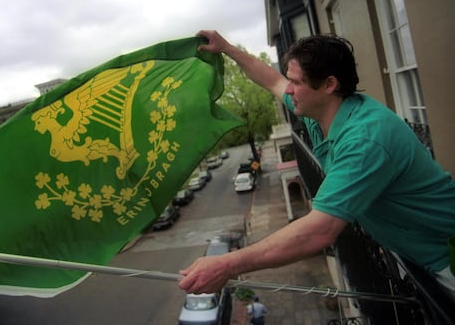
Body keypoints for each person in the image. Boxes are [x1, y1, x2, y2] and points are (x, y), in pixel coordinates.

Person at [178, 30, 455, 300]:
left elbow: (320, 230)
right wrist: (226, 47)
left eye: (296, 82)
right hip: (418, 257)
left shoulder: (365, 140)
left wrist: (227, 265)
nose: (288, 89)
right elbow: (271, 80)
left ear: (329, 85)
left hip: (447, 259)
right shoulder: (318, 110)